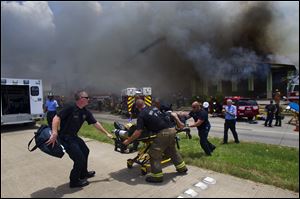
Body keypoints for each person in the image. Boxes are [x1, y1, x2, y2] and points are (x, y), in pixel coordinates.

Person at [46, 90, 114, 188]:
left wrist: (107, 133)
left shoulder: (85, 111)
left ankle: (83, 173)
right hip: (66, 138)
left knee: (85, 151)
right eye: (87, 98)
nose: (89, 99)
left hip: (74, 136)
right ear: (81, 99)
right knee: (79, 159)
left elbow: (95, 123)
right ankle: (74, 181)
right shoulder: (70, 107)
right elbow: (56, 118)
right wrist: (54, 132)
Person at [123, 99, 188, 183]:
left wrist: (128, 141)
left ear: (136, 107)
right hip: (172, 130)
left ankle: (157, 176)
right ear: (145, 103)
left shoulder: (141, 115)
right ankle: (182, 168)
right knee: (172, 151)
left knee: (154, 154)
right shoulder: (154, 108)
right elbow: (167, 115)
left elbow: (138, 132)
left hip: (163, 134)